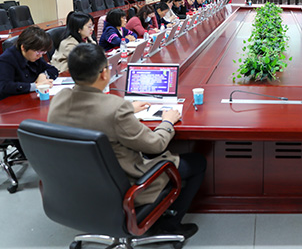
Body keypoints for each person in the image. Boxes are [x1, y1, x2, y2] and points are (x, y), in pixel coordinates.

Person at [48, 43, 205, 239]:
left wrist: (128, 108)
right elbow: (155, 145)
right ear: (104, 73)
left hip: (76, 185)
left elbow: (94, 112)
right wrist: (167, 122)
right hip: (123, 186)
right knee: (197, 162)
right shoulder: (115, 109)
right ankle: (170, 225)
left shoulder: (59, 99)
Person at [0, 26, 59, 100]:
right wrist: (35, 86)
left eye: (43, 52)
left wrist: (43, 75)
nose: (40, 56)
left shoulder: (33, 57)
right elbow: (4, 86)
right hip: (10, 102)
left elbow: (53, 70)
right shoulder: (6, 59)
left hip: (28, 98)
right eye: (38, 52)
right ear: (23, 47)